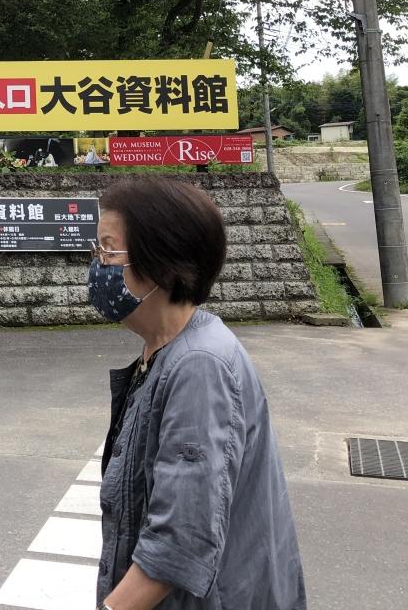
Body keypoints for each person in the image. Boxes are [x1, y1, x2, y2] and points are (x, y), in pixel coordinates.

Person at [89, 177, 305, 610]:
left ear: (162, 263)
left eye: (109, 251)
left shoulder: (199, 366)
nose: (98, 266)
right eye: (97, 252)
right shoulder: (165, 349)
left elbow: (180, 542)